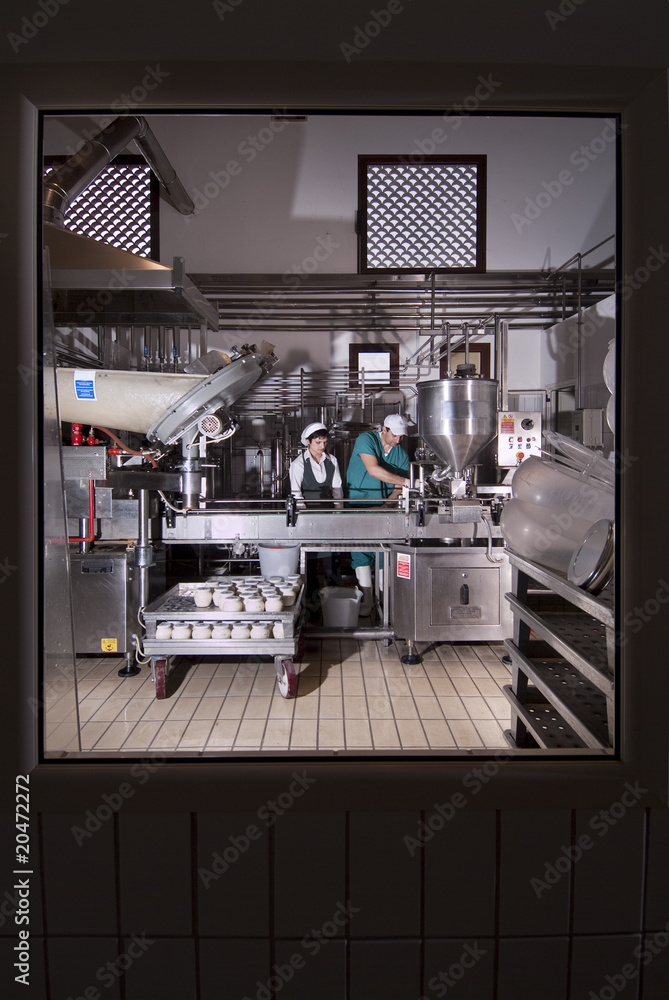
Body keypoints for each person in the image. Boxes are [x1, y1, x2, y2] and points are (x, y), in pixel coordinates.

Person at [344, 413, 411, 615]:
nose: (398, 440)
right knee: (361, 551)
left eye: (401, 436)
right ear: (384, 429)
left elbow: (399, 488)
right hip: (359, 504)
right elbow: (373, 469)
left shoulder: (401, 454)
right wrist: (407, 482)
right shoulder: (366, 439)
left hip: (384, 509)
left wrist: (388, 504)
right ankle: (366, 603)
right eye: (395, 435)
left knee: (383, 552)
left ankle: (383, 602)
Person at [289, 423, 343, 619]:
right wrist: (307, 520)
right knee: (310, 563)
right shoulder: (298, 464)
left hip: (328, 518)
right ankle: (312, 610)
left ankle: (335, 608)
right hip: (308, 519)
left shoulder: (332, 460)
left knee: (331, 561)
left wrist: (339, 514)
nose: (322, 446)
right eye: (318, 442)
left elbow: (337, 490)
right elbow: (296, 494)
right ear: (308, 442)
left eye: (325, 442)